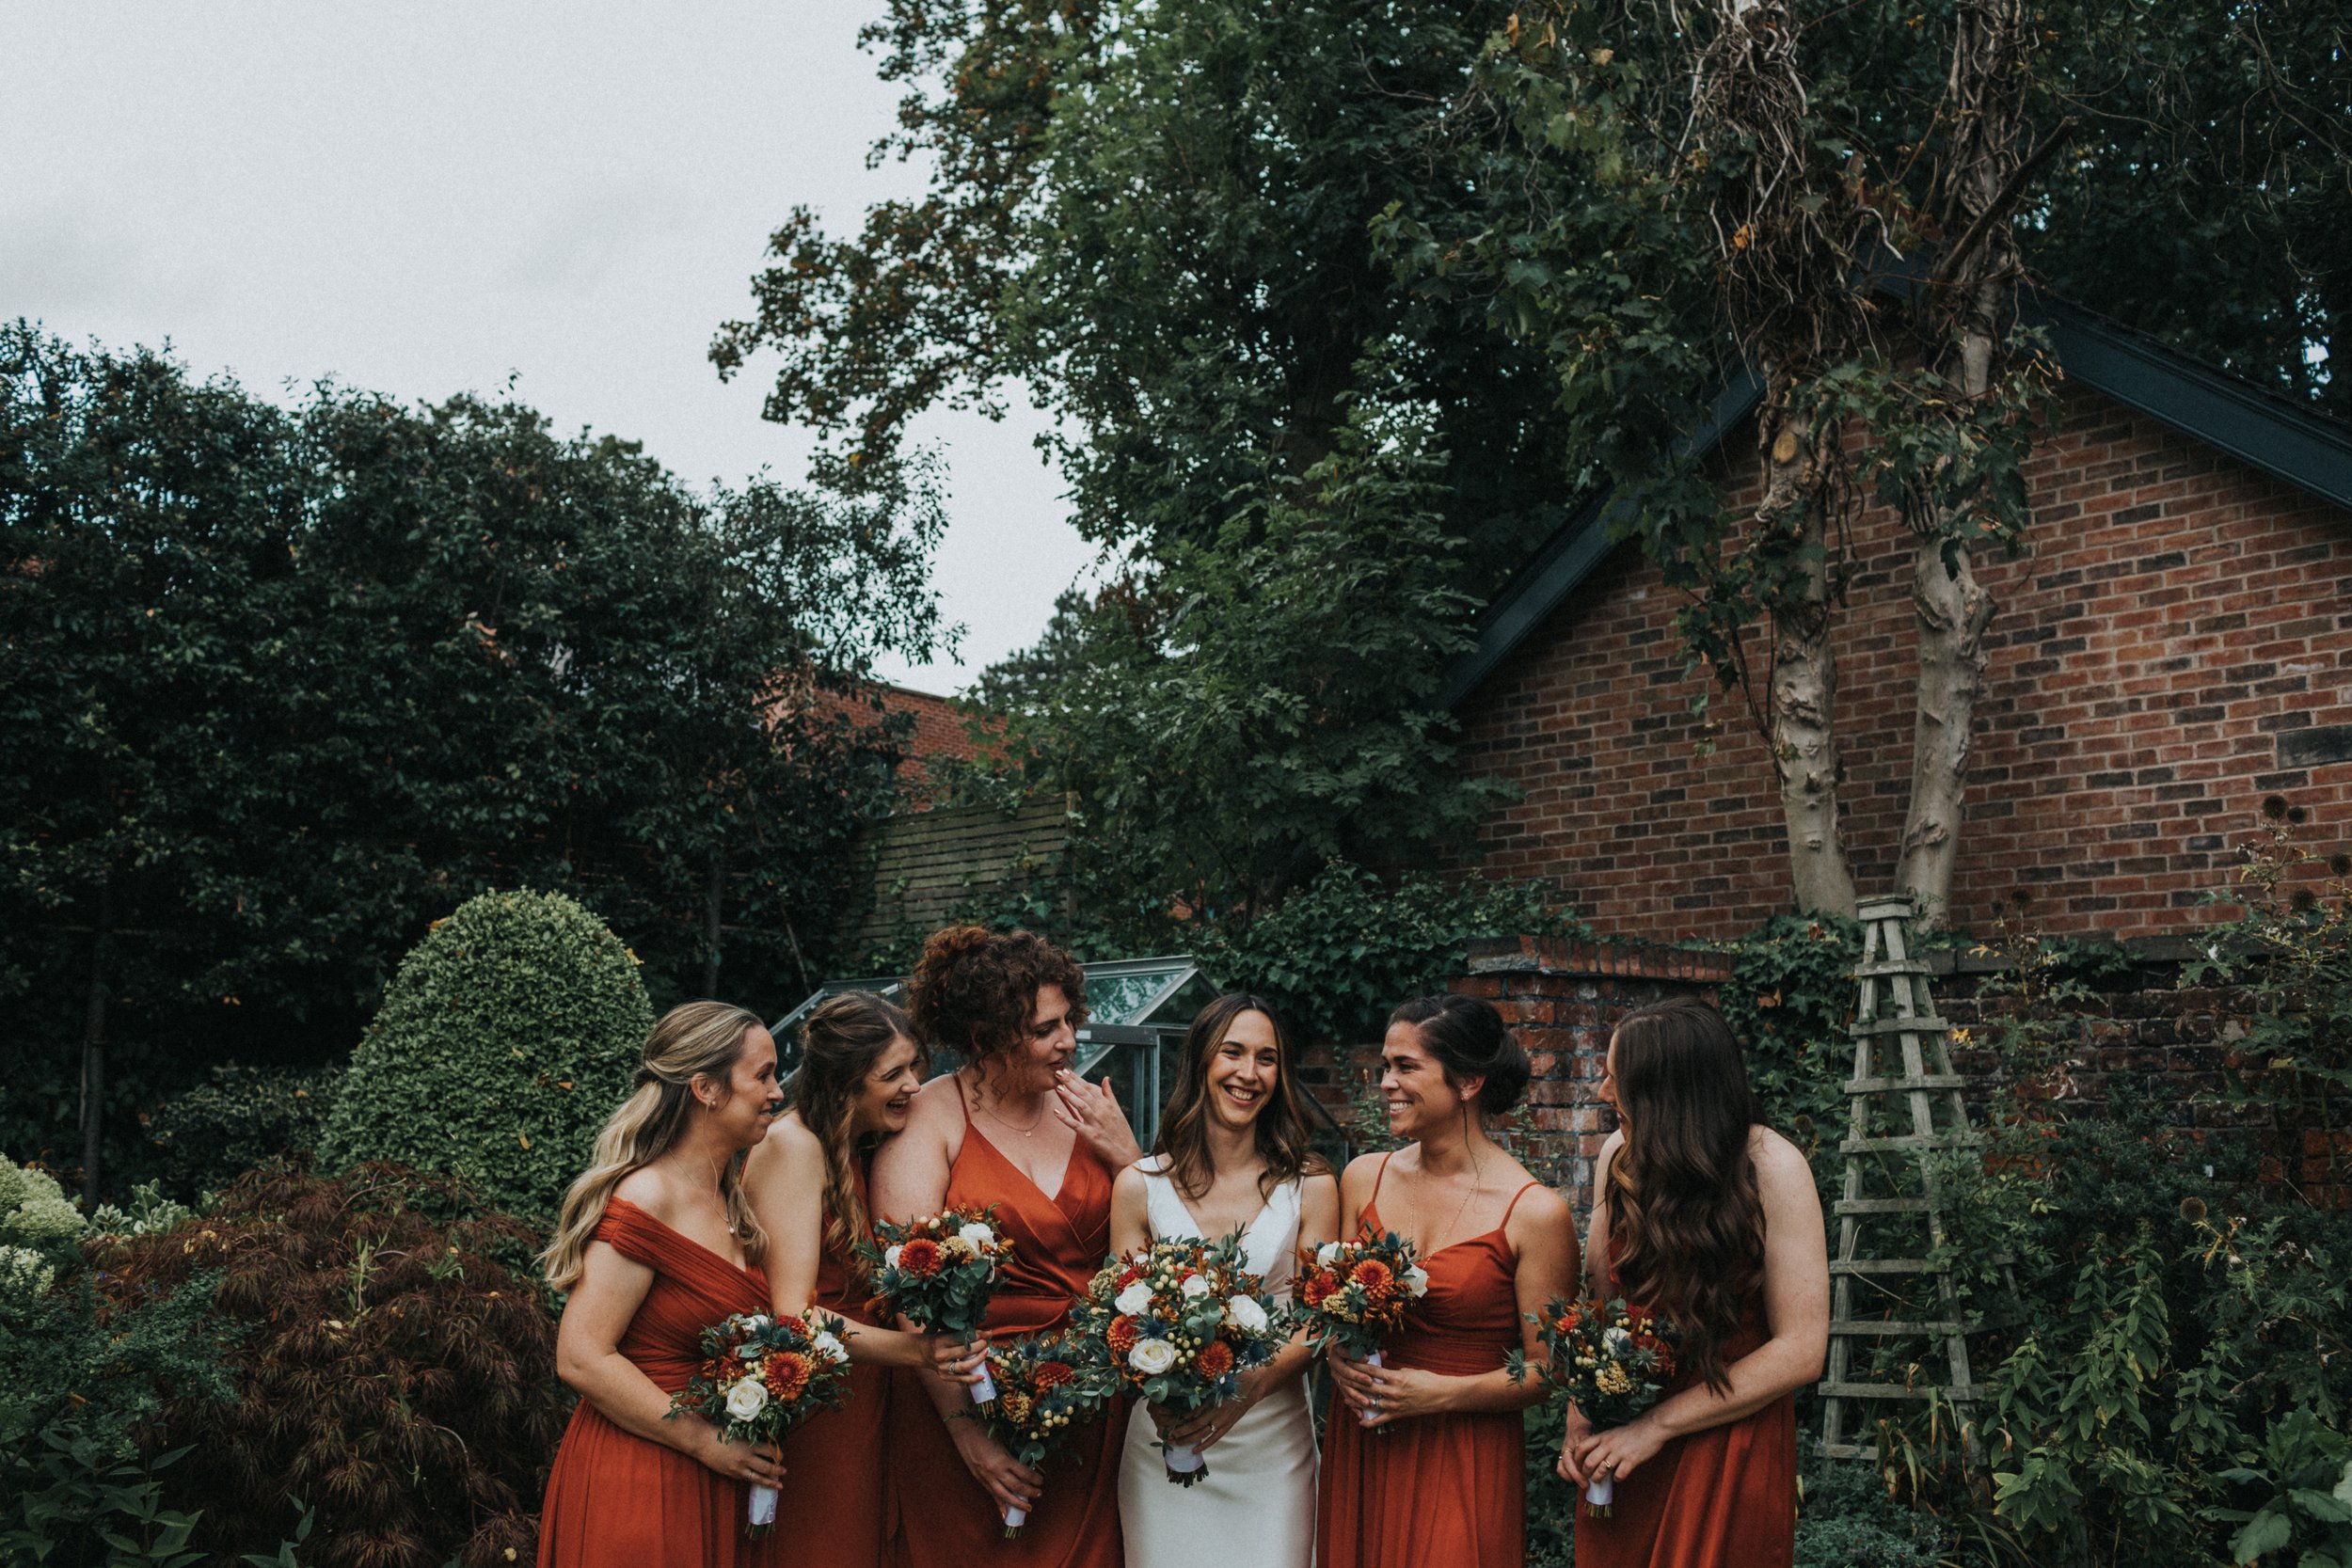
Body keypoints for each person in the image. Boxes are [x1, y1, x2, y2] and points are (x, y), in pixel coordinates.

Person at [871, 927, 1140, 1568]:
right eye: (1047, 1028)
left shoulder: (1088, 1109)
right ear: (990, 1035)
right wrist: (969, 1436)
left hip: (1087, 1403)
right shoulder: (931, 1119)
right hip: (970, 1401)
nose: (1070, 1040)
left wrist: (1130, 1155)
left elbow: (1149, 1237)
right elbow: (912, 1296)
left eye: (1070, 1019)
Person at [1560, 998, 1829, 1568]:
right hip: (1626, 1439)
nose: (1604, 1094)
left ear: (1668, 1091)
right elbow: (1599, 1309)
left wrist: (1657, 1426)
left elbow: (1802, 1350)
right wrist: (1582, 1418)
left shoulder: (1774, 1167)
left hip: (1727, 1434)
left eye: (1617, 1079)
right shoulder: (1619, 1157)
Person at [1316, 993, 1580, 1568]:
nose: (1386, 1082)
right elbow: (1332, 1307)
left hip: (1464, 1451)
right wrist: (1334, 1353)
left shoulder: (1535, 1213)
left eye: (1406, 1067)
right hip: (1364, 1440)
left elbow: (1549, 1371)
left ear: (1467, 1082)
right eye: (1385, 1066)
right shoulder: (1363, 1177)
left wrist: (1443, 1394)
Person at [740, 991, 989, 1568]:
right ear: (844, 1081)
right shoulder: (796, 1147)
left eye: (914, 1069)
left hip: (869, 1395)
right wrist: (920, 1349)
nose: (912, 1086)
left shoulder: (855, 1146)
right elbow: (794, 1317)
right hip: (818, 1410)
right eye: (892, 1073)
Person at [536, 1001, 787, 1568]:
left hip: (717, 1472)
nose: (777, 1092)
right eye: (763, 1075)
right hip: (644, 1472)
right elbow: (581, 1356)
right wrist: (703, 1440)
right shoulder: (648, 1196)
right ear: (706, 1089)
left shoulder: (731, 1200)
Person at [1111, 995, 1339, 1568]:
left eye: (1266, 1058)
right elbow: (1120, 1324)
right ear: (1200, 1063)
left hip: (1272, 1445)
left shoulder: (1310, 1185)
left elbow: (1320, 1323)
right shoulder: (1138, 1186)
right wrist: (1167, 1400)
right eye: (1232, 1053)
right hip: (1166, 1438)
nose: (1248, 1073)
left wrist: (1247, 1389)